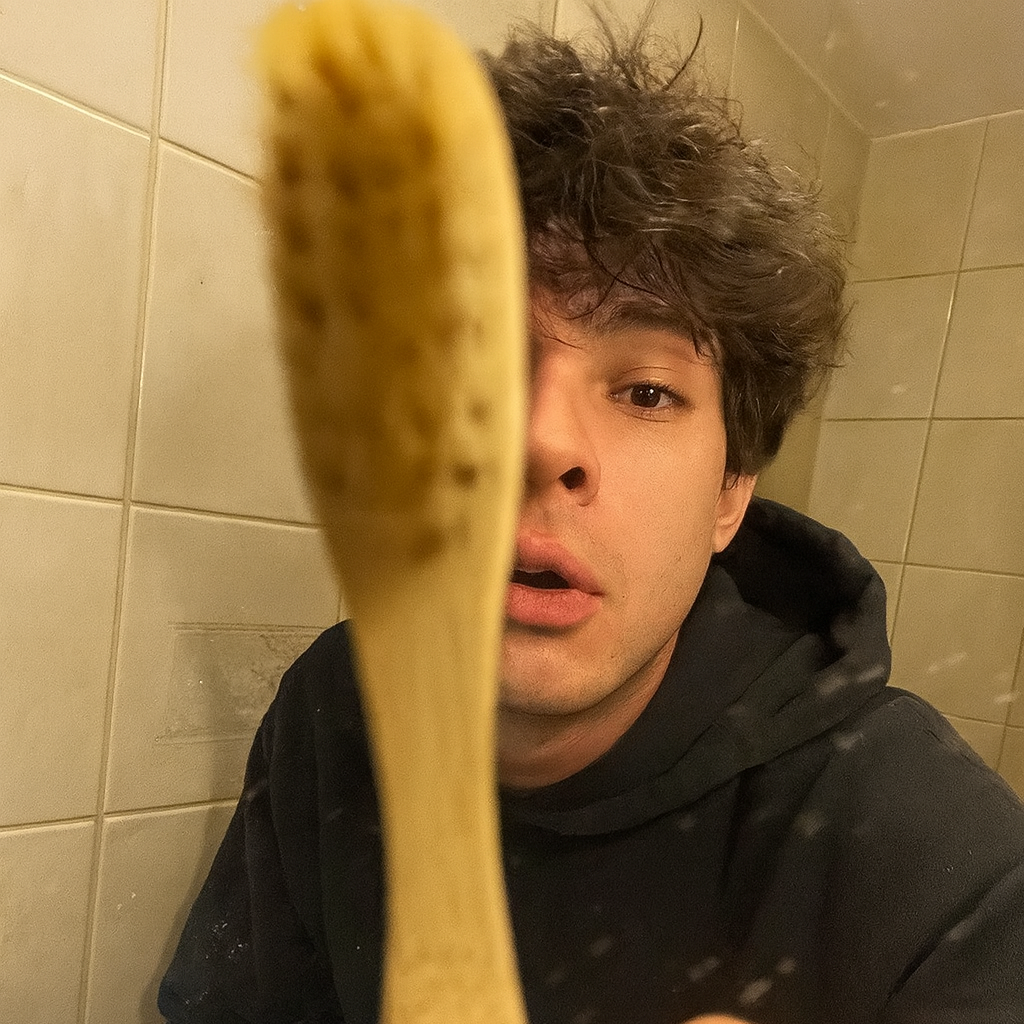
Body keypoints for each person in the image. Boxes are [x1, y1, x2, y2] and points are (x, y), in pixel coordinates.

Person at [158, 22, 1024, 1024]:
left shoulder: (939, 864)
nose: (538, 439)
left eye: (648, 392)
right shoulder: (334, 709)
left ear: (729, 494)